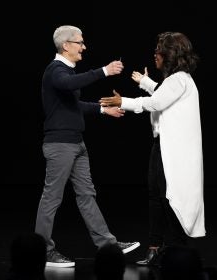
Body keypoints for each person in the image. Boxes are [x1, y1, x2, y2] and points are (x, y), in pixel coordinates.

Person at [35, 25, 140, 268]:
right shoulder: (55, 71)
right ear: (65, 45)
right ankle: (42, 251)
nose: (84, 46)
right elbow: (68, 85)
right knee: (52, 197)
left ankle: (108, 245)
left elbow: (74, 105)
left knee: (87, 195)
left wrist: (104, 110)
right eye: (79, 42)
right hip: (60, 145)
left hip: (76, 143)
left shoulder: (66, 73)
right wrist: (104, 71)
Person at [100, 32, 206, 266]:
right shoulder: (175, 80)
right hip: (163, 146)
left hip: (174, 151)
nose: (154, 54)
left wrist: (123, 102)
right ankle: (156, 247)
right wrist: (146, 84)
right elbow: (162, 95)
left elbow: (157, 102)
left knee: (168, 197)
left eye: (158, 50)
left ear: (169, 55)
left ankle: (175, 249)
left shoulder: (180, 79)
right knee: (156, 196)